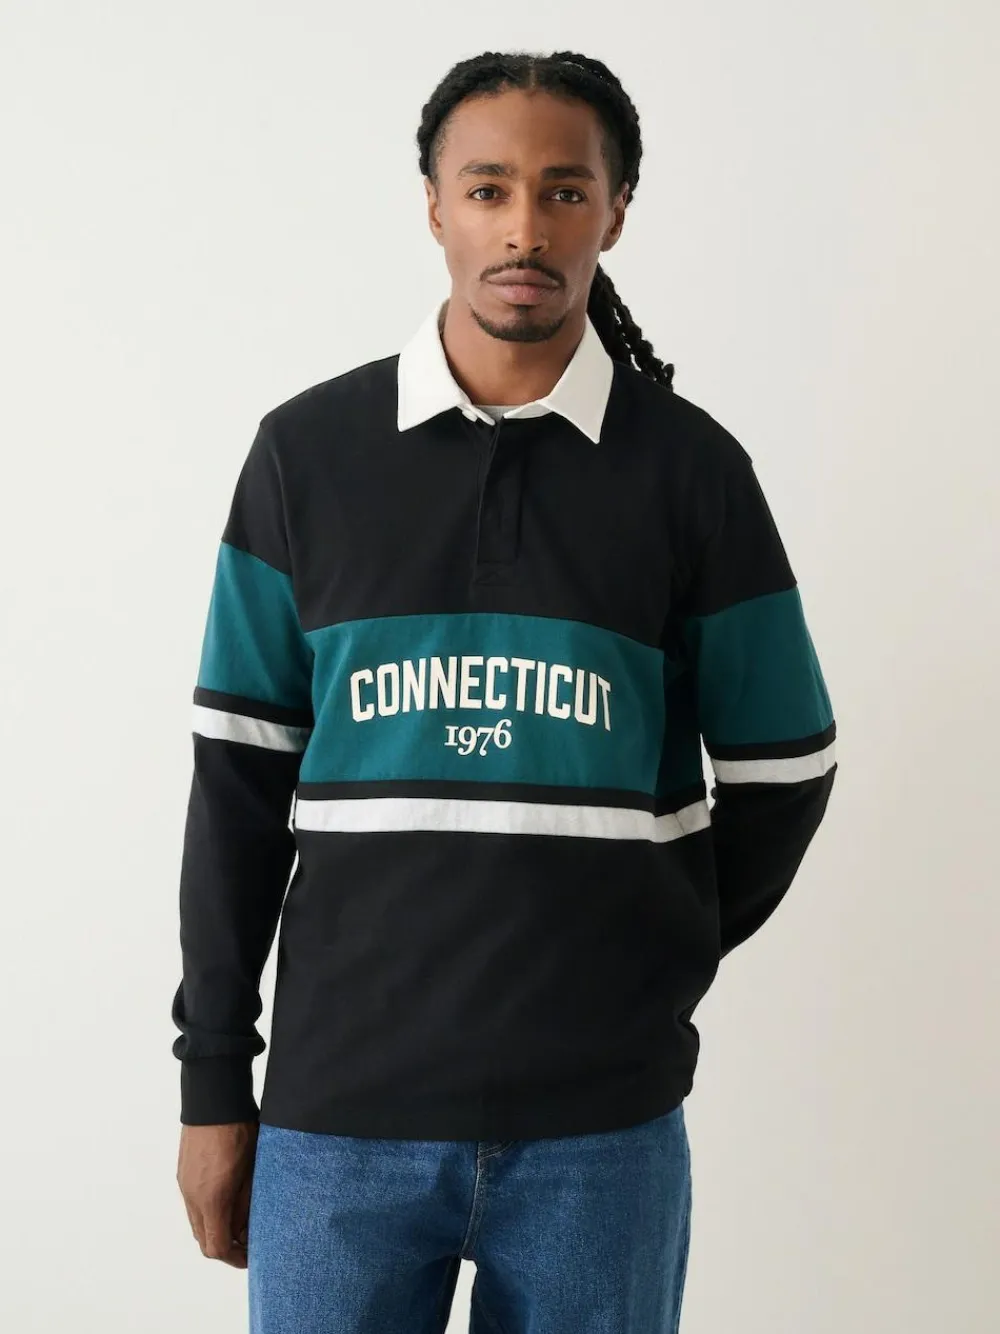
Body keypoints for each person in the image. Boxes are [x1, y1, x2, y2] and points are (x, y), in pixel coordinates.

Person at [172, 48, 837, 1334]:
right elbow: (235, 792)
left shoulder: (691, 473)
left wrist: (647, 941)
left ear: (615, 211)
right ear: (434, 206)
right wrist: (213, 1086)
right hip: (336, 1122)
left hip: (602, 1133)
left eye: (563, 190)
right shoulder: (306, 456)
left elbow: (785, 768)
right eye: (487, 188)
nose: (524, 227)